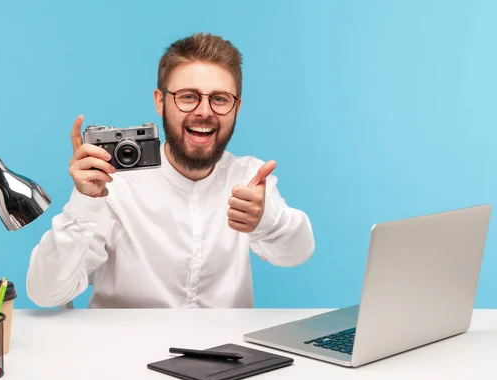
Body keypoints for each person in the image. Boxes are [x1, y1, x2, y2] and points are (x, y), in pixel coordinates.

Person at [26, 32, 315, 309]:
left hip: (225, 354)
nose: (204, 111)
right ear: (160, 101)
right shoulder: (114, 184)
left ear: (236, 107)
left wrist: (266, 219)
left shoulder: (250, 178)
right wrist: (84, 201)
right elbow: (45, 293)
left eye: (220, 98)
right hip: (123, 353)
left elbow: (298, 252)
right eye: (188, 96)